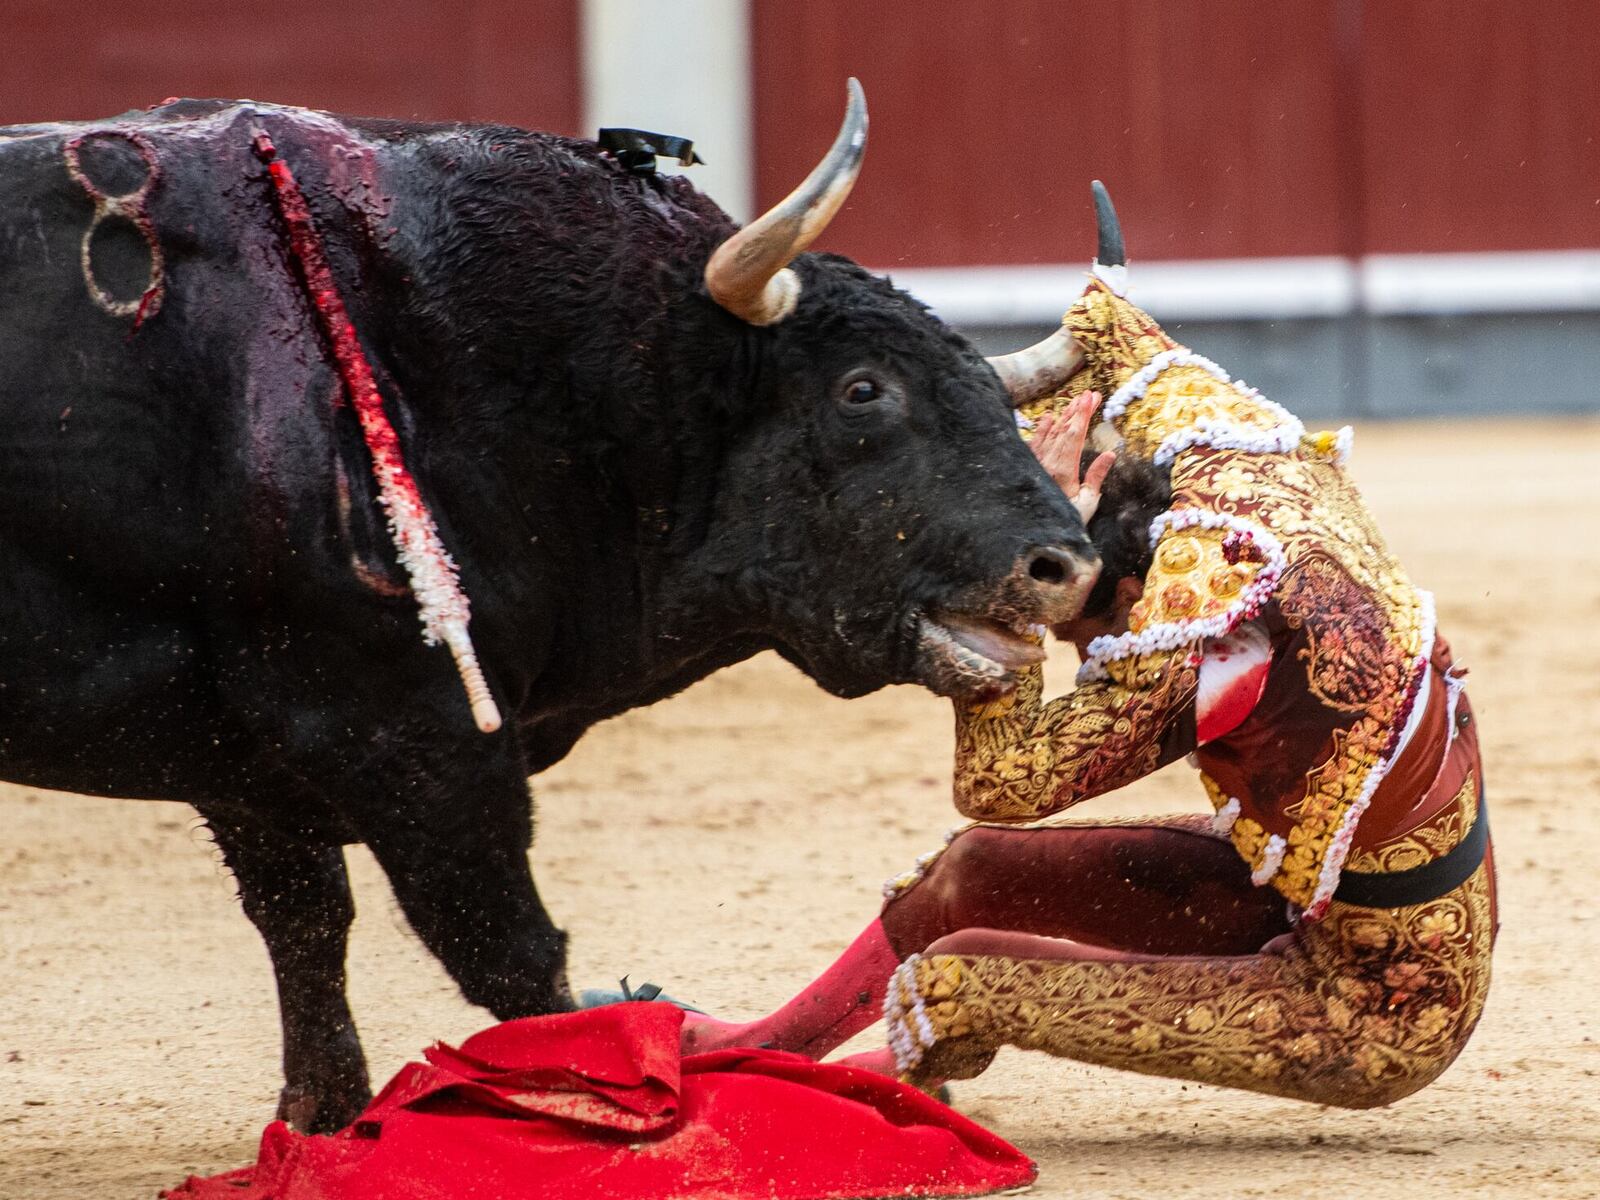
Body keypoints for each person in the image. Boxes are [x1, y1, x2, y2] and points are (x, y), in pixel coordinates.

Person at [672, 222, 1496, 1109]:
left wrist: (1009, 576)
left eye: (1077, 632)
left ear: (1134, 589)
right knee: (974, 872)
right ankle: (760, 1047)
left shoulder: (1200, 634)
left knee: (956, 987)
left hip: (1378, 1007)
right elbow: (1123, 337)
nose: (1081, 656)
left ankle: (829, 1095)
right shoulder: (1235, 465)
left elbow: (1001, 779)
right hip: (1292, 884)